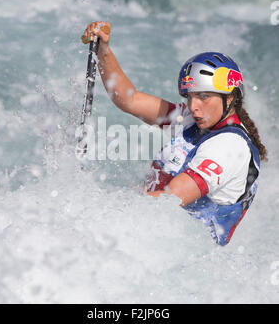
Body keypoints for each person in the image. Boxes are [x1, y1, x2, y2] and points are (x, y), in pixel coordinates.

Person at [82, 21, 267, 246]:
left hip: (181, 260)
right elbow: (129, 100)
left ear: (230, 97)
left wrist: (97, 212)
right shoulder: (195, 120)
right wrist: (104, 51)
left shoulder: (230, 147)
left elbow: (168, 199)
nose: (193, 106)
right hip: (148, 236)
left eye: (204, 97)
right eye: (189, 96)